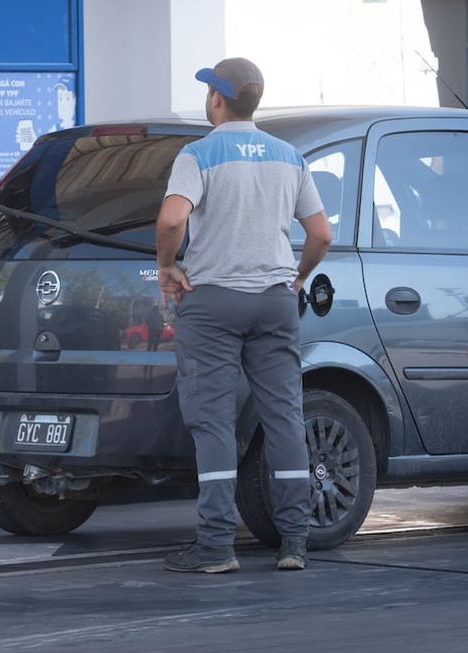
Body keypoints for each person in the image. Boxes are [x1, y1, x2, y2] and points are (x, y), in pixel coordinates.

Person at [155, 58, 332, 573]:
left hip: (212, 301)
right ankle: (295, 542)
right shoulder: (289, 157)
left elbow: (171, 219)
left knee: (212, 420)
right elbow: (321, 234)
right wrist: (297, 277)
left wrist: (167, 264)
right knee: (284, 416)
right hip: (275, 299)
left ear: (216, 99)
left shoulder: (198, 155)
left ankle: (215, 546)